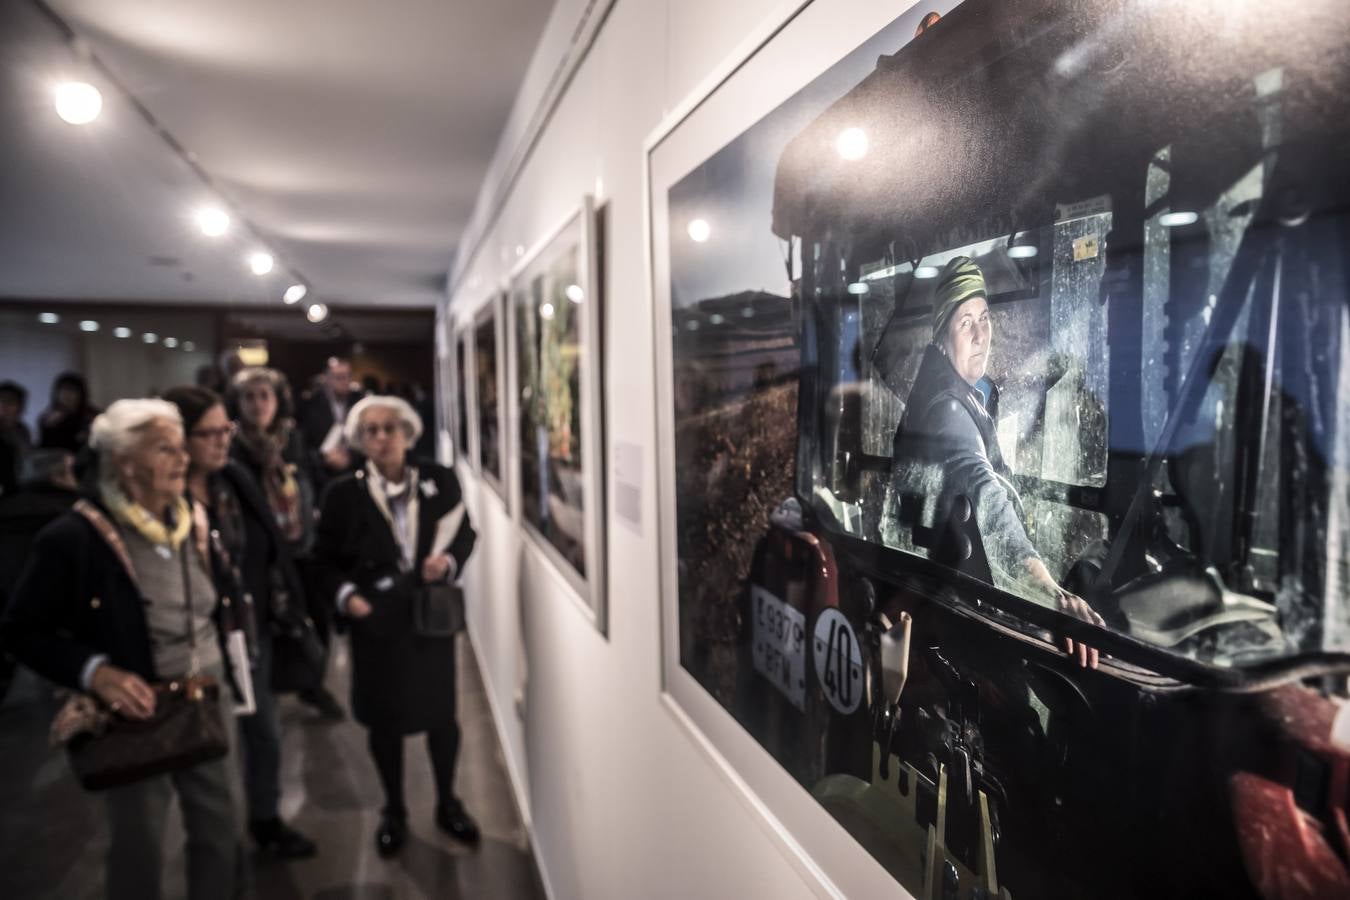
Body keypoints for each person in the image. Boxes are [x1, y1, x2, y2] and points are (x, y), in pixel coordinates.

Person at [0, 399, 246, 899]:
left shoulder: (193, 519)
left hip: (203, 695)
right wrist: (96, 673)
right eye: (163, 449)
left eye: (181, 448)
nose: (181, 460)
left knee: (221, 831)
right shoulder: (76, 537)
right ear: (123, 461)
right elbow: (21, 629)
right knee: (140, 843)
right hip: (135, 713)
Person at [885, 256, 1104, 667]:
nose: (981, 335)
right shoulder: (947, 410)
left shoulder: (954, 392)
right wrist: (1050, 594)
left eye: (984, 318)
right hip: (958, 613)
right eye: (965, 322)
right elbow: (988, 499)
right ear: (941, 337)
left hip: (948, 591)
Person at [313, 395, 479, 856]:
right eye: (371, 431)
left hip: (429, 621)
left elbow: (466, 532)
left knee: (441, 717)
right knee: (384, 722)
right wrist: (350, 599)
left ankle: (449, 803)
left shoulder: (439, 480)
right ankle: (394, 810)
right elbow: (322, 562)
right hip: (377, 626)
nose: (382, 438)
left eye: (390, 428)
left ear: (408, 432)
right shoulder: (342, 495)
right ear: (358, 440)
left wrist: (446, 561)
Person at [164, 386, 320, 860]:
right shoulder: (161, 498)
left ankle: (265, 822)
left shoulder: (232, 480)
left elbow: (273, 543)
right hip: (193, 643)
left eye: (224, 430)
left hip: (250, 632)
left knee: (265, 733)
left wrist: (284, 605)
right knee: (210, 753)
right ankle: (216, 848)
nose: (221, 441)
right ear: (178, 440)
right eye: (207, 434)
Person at [226, 368, 345, 720]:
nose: (258, 404)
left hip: (301, 547)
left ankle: (312, 683)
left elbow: (308, 476)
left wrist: (322, 469)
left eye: (265, 396)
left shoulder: (291, 437)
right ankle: (269, 693)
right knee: (265, 627)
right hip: (258, 554)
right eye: (249, 397)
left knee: (316, 619)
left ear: (278, 401)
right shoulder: (232, 446)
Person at [0, 449, 79, 700]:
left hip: (13, 611)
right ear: (60, 476)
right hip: (69, 627)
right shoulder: (78, 516)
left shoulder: (5, 511)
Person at [299, 356, 364, 490]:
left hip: (355, 472)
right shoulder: (310, 404)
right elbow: (305, 444)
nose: (344, 381)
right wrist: (324, 458)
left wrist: (350, 458)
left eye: (348, 376)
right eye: (339, 377)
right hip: (322, 476)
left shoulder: (360, 402)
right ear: (327, 379)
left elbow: (367, 438)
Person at [38, 371, 99, 452]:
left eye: (72, 390)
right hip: (57, 460)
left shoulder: (91, 415)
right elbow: (45, 448)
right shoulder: (48, 418)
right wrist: (50, 426)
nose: (67, 394)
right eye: (63, 390)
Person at [0, 380, 32, 496]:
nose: (4, 406)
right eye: (1, 401)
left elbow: (26, 458)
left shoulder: (22, 430)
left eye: (10, 402)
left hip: (21, 487)